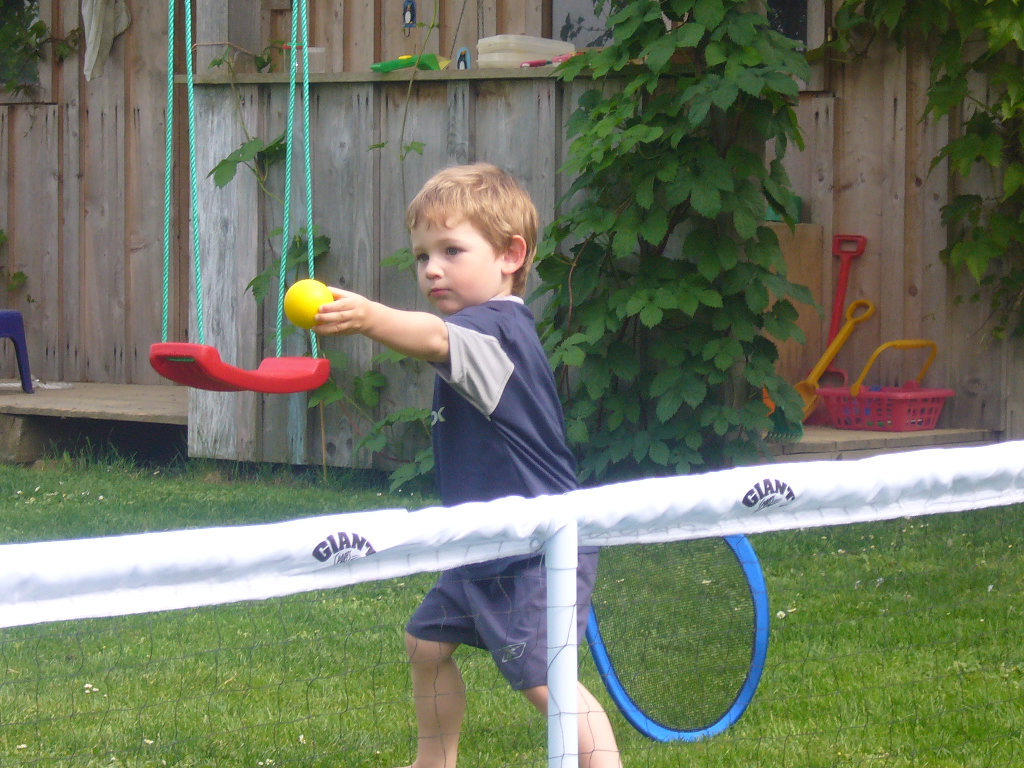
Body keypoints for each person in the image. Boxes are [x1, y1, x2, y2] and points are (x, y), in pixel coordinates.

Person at [313, 163, 621, 768]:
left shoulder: (492, 331)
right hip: (483, 543)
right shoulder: (486, 330)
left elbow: (432, 338)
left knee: (545, 679)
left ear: (511, 255)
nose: (432, 268)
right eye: (422, 255)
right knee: (426, 643)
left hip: (537, 549)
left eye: (451, 250)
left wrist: (367, 316)